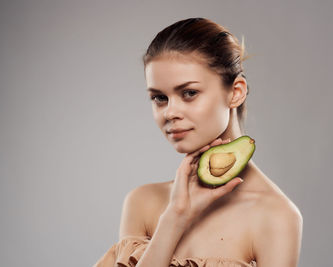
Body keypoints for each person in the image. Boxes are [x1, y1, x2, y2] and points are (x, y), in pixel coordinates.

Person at [94, 17, 303, 267]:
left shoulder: (276, 216)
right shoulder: (143, 203)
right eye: (160, 98)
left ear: (236, 92)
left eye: (189, 93)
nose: (170, 112)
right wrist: (174, 218)